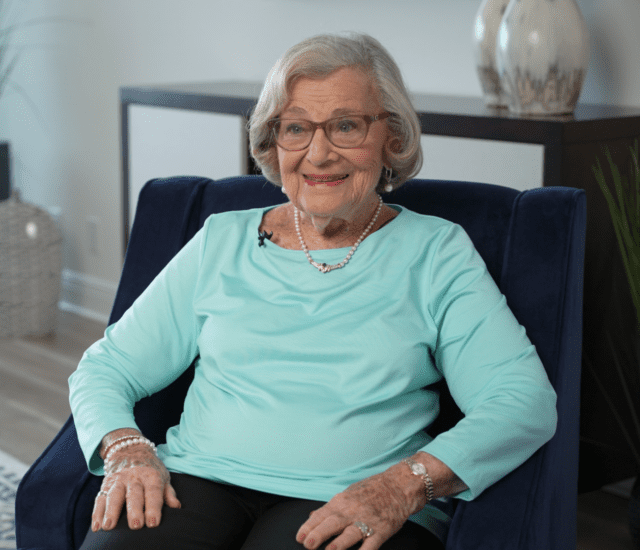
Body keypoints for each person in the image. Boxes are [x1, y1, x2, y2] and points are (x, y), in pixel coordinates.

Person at [69, 32, 557, 550]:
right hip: (196, 479)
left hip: (349, 496)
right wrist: (128, 450)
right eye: (296, 128)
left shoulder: (436, 251)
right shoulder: (221, 239)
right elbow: (107, 367)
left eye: (346, 126)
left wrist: (401, 487)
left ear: (391, 137)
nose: (318, 154)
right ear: (273, 144)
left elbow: (520, 400)